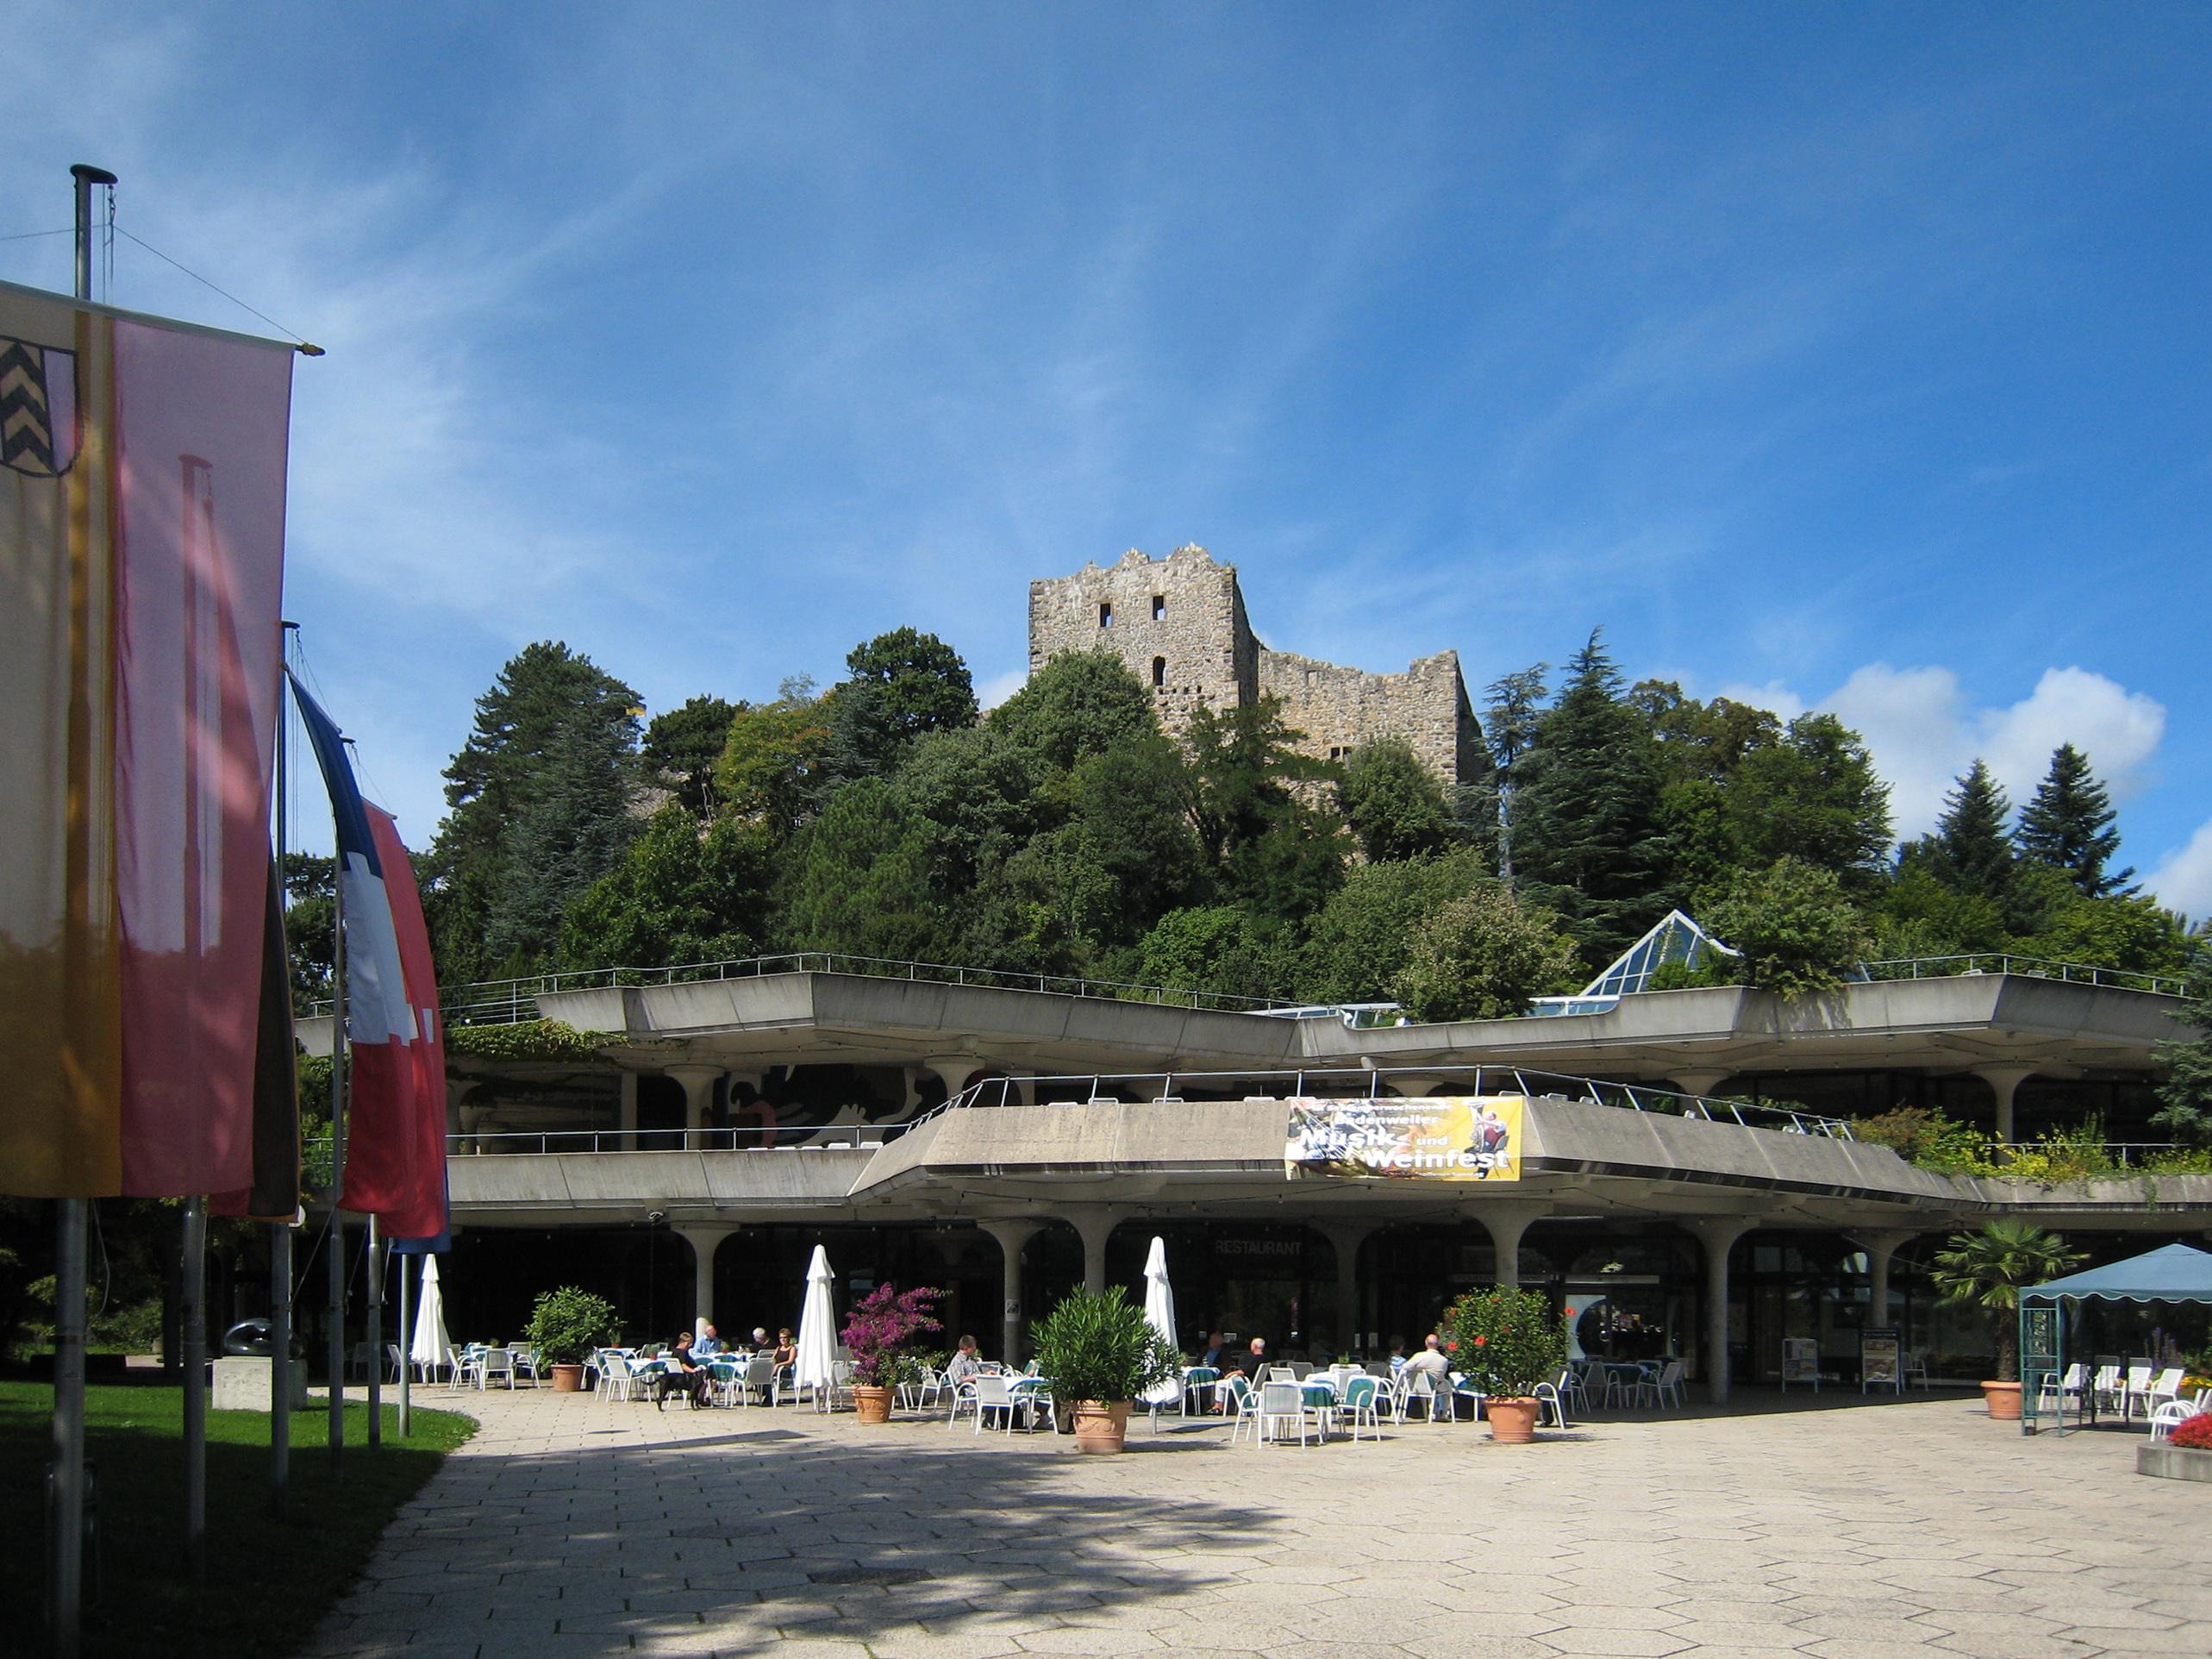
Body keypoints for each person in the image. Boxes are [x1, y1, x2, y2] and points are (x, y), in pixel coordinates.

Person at [657, 1331, 711, 1410]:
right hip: (685, 1378)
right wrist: (693, 1370)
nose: (690, 1345)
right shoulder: (683, 1352)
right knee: (702, 1382)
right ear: (683, 1342)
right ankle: (700, 1400)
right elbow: (683, 1366)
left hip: (676, 1376)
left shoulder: (675, 1351)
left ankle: (699, 1400)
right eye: (689, 1343)